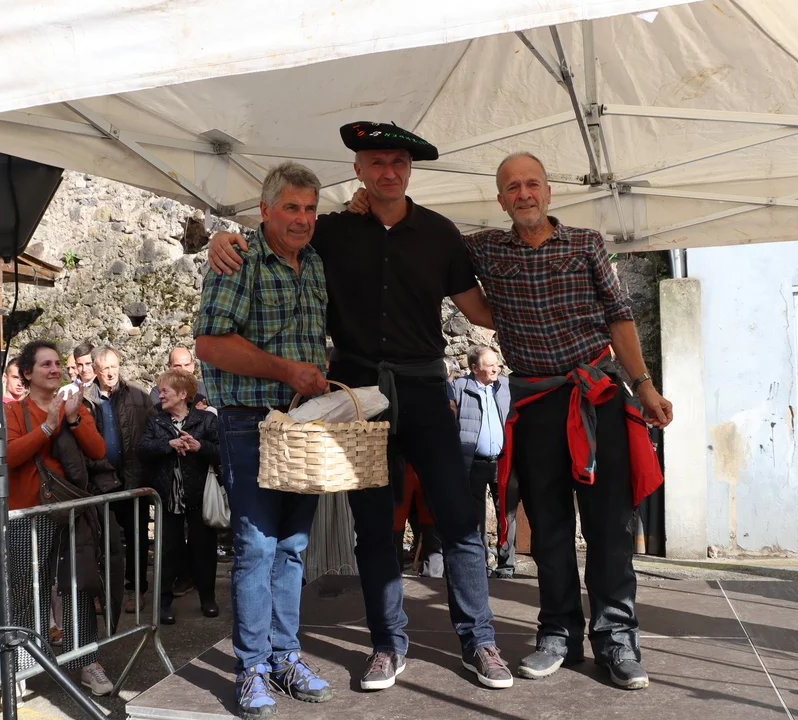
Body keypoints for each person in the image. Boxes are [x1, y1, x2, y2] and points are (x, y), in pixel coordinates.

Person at [207, 123, 513, 692]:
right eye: (376, 162)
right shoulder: (330, 231)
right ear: (358, 170)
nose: (387, 171)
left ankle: (480, 641)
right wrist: (223, 238)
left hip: (424, 390)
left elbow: (480, 311)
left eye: (397, 161)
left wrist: (542, 305)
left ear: (410, 169)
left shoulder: (440, 233)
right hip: (356, 399)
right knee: (373, 527)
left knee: (459, 519)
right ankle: (386, 644)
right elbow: (274, 232)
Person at [442, 152, 669, 689]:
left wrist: (644, 386)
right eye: (512, 187)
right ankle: (558, 635)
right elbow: (438, 256)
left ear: (548, 192)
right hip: (536, 401)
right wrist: (364, 204)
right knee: (546, 528)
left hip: (597, 397)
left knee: (609, 526)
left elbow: (619, 316)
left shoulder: (585, 243)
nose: (523, 193)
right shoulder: (485, 248)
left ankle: (616, 639)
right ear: (501, 200)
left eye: (532, 184)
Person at [196, 161, 333, 719]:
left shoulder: (316, 261)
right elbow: (209, 344)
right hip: (250, 421)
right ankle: (251, 667)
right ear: (265, 210)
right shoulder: (239, 258)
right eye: (291, 208)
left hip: (303, 424)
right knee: (256, 547)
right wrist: (288, 371)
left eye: (310, 209)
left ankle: (284, 657)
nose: (302, 219)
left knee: (293, 546)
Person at [4, 340, 114, 696]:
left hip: (71, 511)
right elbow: (9, 456)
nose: (54, 370)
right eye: (45, 364)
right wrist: (48, 427)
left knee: (78, 586)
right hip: (27, 513)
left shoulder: (73, 405)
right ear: (27, 373)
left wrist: (73, 418)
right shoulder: (12, 412)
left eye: (56, 363)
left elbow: (98, 450)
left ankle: (86, 662)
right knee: (26, 591)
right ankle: (21, 666)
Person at [136, 369, 220, 623]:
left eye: (165, 391)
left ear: (183, 394)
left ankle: (208, 599)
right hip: (167, 497)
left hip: (199, 496)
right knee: (167, 552)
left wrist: (199, 446)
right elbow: (142, 449)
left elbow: (223, 451)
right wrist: (168, 445)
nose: (160, 395)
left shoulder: (206, 420)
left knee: (203, 550)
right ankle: (163, 604)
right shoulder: (157, 422)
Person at [81, 346, 154, 613]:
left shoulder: (138, 395)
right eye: (105, 369)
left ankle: (136, 589)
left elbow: (153, 429)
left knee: (137, 538)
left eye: (114, 367)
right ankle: (102, 592)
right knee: (101, 540)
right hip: (100, 481)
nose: (111, 373)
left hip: (134, 478)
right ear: (95, 370)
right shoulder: (84, 399)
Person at [452, 346, 513, 578]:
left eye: (497, 363)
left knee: (506, 514)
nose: (496, 368)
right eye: (490, 365)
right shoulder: (460, 387)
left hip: (502, 463)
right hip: (473, 463)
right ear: (475, 368)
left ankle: (506, 566)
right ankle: (481, 565)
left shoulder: (505, 385)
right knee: (476, 518)